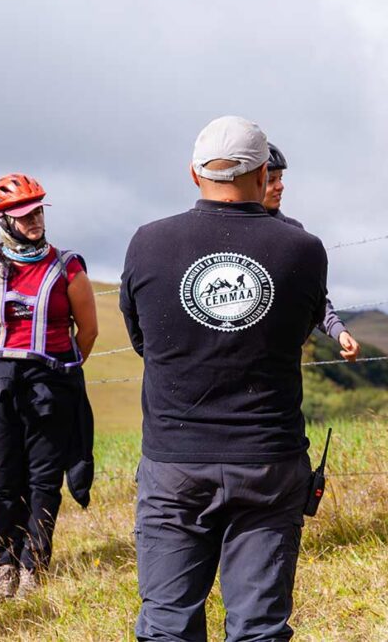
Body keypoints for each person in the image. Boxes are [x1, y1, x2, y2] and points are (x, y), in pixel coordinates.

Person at [121, 116, 329, 640]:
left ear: (194, 174)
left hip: (174, 460)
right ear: (263, 174)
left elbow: (144, 342)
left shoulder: (147, 243)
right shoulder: (302, 250)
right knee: (259, 627)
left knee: (168, 624)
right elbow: (297, 332)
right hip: (268, 459)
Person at [0, 174, 97, 603]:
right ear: (3, 221)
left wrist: (57, 371)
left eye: (38, 211)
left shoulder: (68, 267)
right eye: (24, 214)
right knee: (3, 481)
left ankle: (33, 566)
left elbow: (88, 332)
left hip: (49, 386)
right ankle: (4, 566)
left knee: (42, 480)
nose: (34, 220)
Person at [265, 142, 361, 361]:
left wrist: (339, 331)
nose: (280, 186)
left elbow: (314, 298)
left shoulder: (293, 232)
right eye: (271, 180)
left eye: (281, 178)